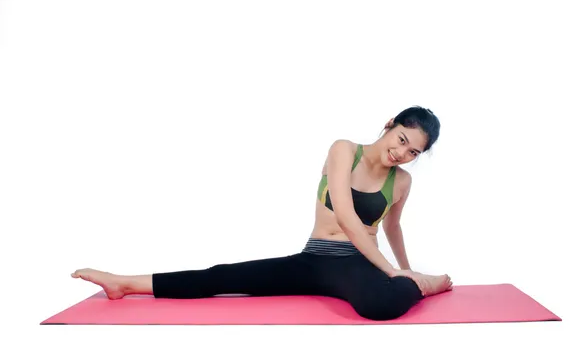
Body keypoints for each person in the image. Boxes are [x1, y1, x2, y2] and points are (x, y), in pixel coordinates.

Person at [72, 106, 453, 321]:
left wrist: (407, 271)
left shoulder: (401, 182)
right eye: (402, 140)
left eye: (413, 152)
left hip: (358, 265)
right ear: (389, 125)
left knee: (380, 306)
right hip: (314, 258)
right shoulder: (344, 150)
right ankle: (123, 282)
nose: (402, 153)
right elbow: (350, 221)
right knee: (221, 277)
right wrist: (393, 272)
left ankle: (431, 282)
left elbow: (393, 226)